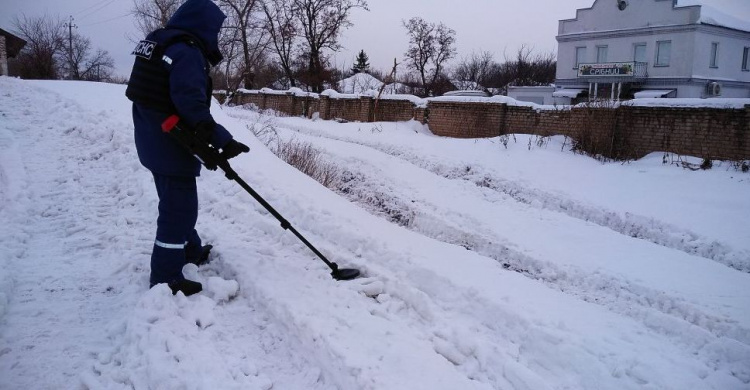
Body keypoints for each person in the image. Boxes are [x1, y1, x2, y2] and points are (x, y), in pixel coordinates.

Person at [125, 0, 248, 296]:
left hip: (151, 137)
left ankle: (190, 249)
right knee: (178, 208)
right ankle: (166, 277)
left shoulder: (160, 43)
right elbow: (190, 103)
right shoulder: (186, 53)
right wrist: (222, 139)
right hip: (169, 142)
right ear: (203, 24)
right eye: (215, 29)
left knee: (174, 201)